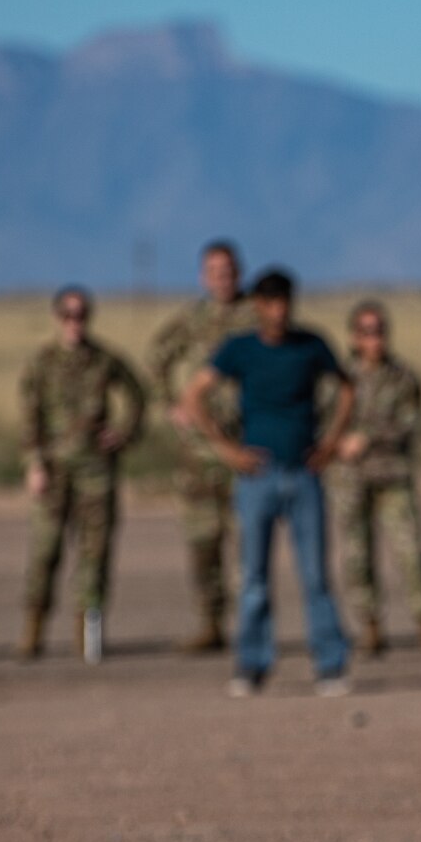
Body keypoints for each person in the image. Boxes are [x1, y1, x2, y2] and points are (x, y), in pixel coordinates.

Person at [182, 269, 356, 696]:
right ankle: (252, 663)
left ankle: (330, 664)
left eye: (285, 303)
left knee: (315, 573)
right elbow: (194, 394)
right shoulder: (240, 349)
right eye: (271, 303)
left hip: (304, 472)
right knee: (254, 575)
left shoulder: (311, 345)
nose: (279, 311)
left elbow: (347, 387)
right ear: (258, 305)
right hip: (256, 475)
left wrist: (331, 441)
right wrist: (226, 449)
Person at [17, 286, 146, 661]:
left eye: (81, 315)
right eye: (68, 315)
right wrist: (34, 464)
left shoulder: (104, 360)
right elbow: (30, 419)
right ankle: (33, 630)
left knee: (95, 555)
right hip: (55, 472)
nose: (75, 323)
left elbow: (137, 396)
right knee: (45, 552)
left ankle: (87, 636)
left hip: (96, 473)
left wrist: (124, 433)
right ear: (57, 318)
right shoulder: (41, 363)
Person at [147, 241, 257, 653]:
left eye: (228, 271)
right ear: (202, 277)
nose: (221, 278)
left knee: (250, 544)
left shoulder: (256, 316)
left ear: (239, 273)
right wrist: (171, 405)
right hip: (199, 453)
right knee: (202, 542)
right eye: (213, 271)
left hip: (246, 445)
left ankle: (251, 625)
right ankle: (210, 623)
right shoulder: (191, 321)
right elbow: (156, 358)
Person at [333, 299, 421, 658]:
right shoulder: (338, 379)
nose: (374, 339)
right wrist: (336, 442)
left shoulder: (403, 378)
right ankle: (370, 627)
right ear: (354, 336)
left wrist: (367, 437)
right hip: (350, 480)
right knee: (357, 555)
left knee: (411, 552)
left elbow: (411, 423)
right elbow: (323, 421)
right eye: (366, 332)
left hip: (393, 476)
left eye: (379, 331)